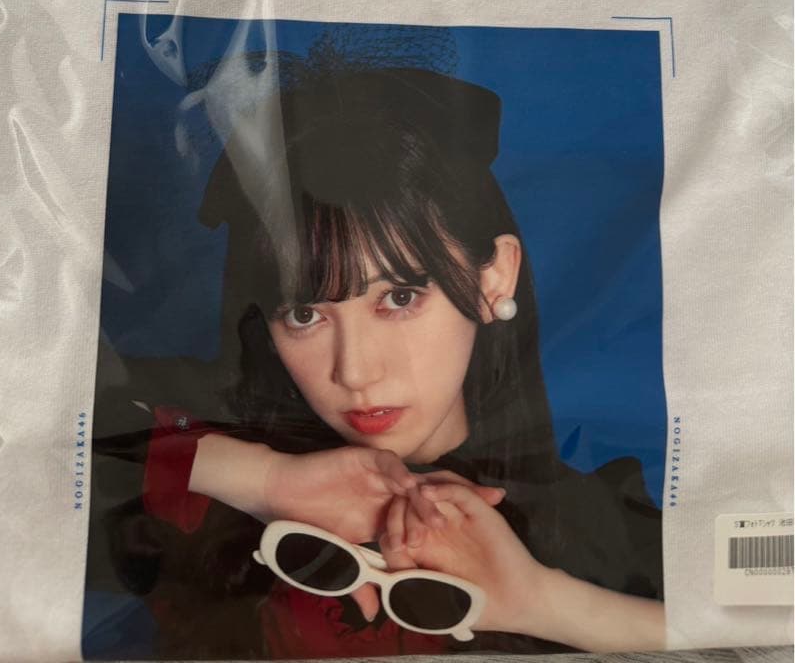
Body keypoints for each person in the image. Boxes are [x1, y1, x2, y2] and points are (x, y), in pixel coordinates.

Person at [86, 37, 663, 660]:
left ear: (494, 277)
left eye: (400, 297)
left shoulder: (598, 525)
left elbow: (740, 624)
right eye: (305, 314)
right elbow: (40, 437)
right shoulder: (196, 473)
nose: (356, 372)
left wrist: (540, 601)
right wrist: (264, 480)